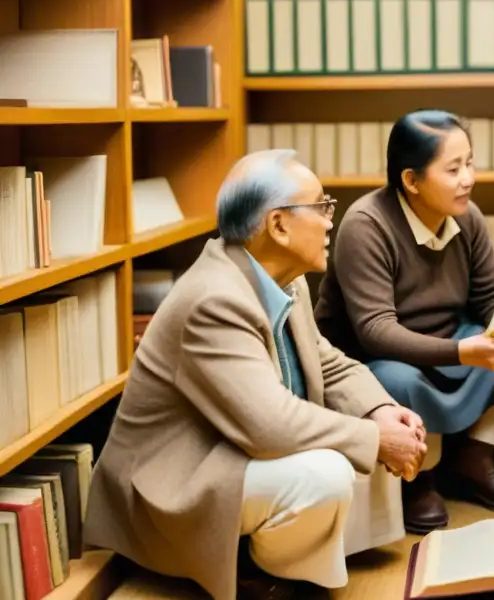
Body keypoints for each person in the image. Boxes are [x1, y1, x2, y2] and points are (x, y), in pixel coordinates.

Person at [82, 150, 427, 600]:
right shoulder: (214, 299)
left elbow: (326, 361)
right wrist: (375, 438)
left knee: (367, 438)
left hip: (232, 447)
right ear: (279, 225)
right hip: (176, 482)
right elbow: (269, 426)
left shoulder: (285, 278)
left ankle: (284, 558)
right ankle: (258, 570)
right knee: (330, 471)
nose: (330, 221)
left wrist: (381, 411)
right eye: (321, 206)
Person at [314, 110, 494, 535]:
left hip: (448, 341)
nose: (469, 178)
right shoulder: (366, 225)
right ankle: (417, 477)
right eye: (454, 168)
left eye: (470, 163)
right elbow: (375, 331)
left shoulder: (467, 216)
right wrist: (463, 351)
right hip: (378, 357)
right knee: (397, 382)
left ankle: (477, 458)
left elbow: (493, 294)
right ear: (411, 180)